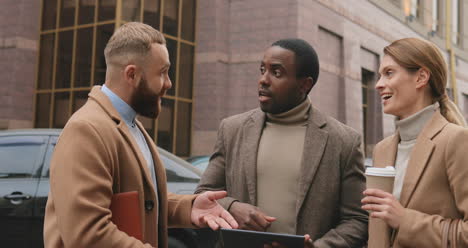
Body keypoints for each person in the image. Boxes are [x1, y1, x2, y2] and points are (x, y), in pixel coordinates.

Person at [44, 22, 238, 248]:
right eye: (163, 73)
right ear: (132, 75)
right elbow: (87, 235)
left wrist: (188, 207)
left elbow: (139, 202)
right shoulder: (86, 129)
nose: (169, 83)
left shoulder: (129, 124)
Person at [196, 38, 368, 247]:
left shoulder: (344, 142)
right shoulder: (232, 129)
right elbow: (202, 195)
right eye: (262, 70)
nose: (263, 80)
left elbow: (357, 220)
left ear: (305, 84)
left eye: (276, 73)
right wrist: (232, 207)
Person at [361, 37, 468, 247]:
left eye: (389, 73)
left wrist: (405, 220)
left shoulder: (455, 141)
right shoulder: (382, 149)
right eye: (380, 75)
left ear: (421, 77)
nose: (378, 84)